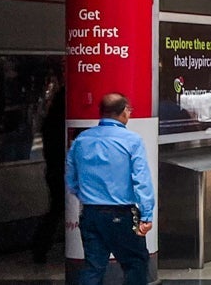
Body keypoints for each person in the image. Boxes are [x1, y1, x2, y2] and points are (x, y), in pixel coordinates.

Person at [66, 93, 154, 285]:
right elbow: (141, 179)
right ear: (123, 112)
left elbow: (71, 179)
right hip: (121, 214)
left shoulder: (81, 140)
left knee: (93, 266)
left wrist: (87, 197)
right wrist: (147, 215)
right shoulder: (132, 141)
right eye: (129, 110)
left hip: (90, 214)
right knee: (135, 263)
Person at [31, 74, 65, 263]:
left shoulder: (50, 123)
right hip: (61, 169)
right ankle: (41, 246)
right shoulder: (60, 125)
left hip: (53, 169)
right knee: (58, 208)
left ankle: (40, 247)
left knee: (56, 208)